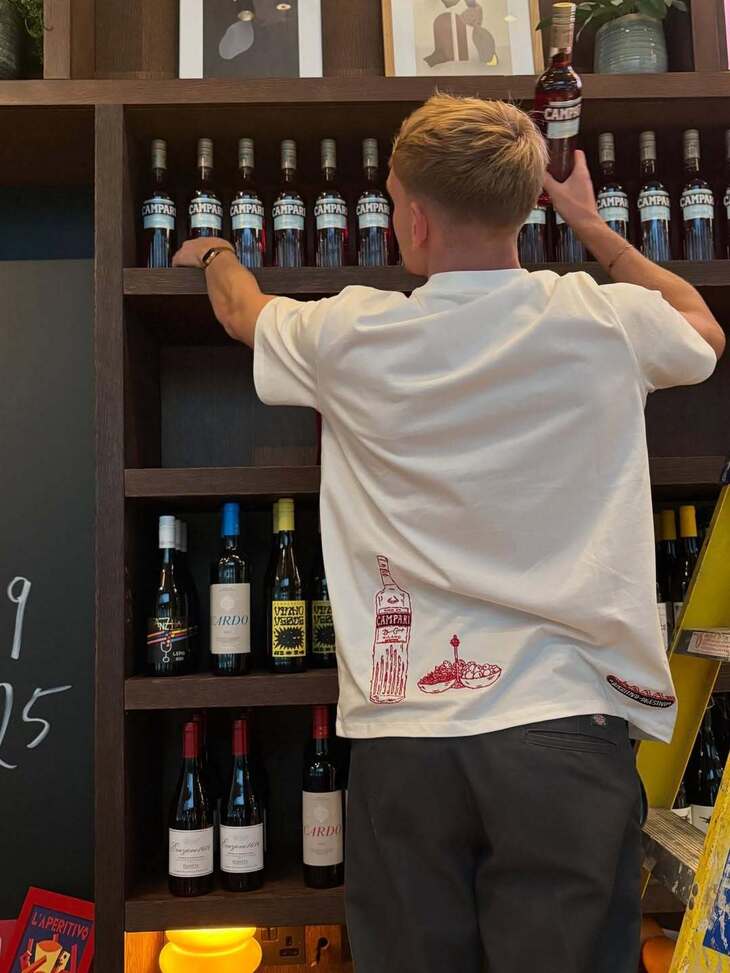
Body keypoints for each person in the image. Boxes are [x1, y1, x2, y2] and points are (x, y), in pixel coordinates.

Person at [173, 94, 723, 973]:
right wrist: (593, 227)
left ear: (415, 218)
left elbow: (242, 312)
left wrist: (216, 249)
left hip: (406, 735)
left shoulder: (351, 330)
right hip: (567, 730)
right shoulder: (600, 318)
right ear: (521, 205)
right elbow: (703, 325)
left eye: (392, 201)